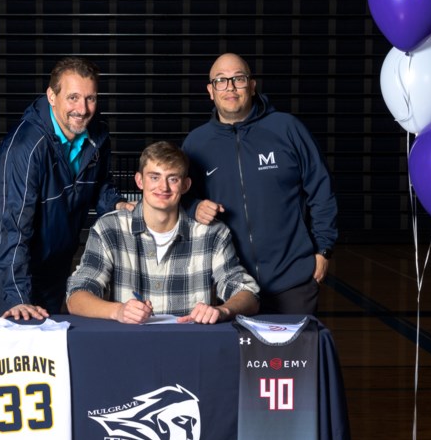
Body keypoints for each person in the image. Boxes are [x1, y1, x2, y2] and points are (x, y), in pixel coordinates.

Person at [0, 57, 134, 321]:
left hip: (55, 257)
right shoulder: (26, 147)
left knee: (51, 336)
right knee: (23, 335)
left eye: (90, 98)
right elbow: (13, 226)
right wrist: (16, 296)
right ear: (51, 96)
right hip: (6, 260)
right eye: (72, 98)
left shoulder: (97, 132)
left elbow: (100, 184)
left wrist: (116, 203)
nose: (82, 109)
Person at [182, 53, 339, 315]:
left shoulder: (287, 129)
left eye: (238, 79)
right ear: (211, 91)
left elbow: (321, 189)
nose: (230, 87)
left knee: (292, 356)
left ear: (252, 85)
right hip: (229, 285)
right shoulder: (196, 143)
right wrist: (194, 206)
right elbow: (180, 198)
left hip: (292, 280)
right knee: (236, 357)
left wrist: (323, 249)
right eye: (221, 80)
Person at [66, 141, 260, 324]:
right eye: (154, 177)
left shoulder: (213, 233)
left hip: (191, 345)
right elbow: (76, 295)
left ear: (185, 186)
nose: (163, 187)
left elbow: (248, 293)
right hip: (128, 345)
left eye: (173, 179)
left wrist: (223, 310)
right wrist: (118, 311)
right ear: (139, 181)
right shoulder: (109, 228)